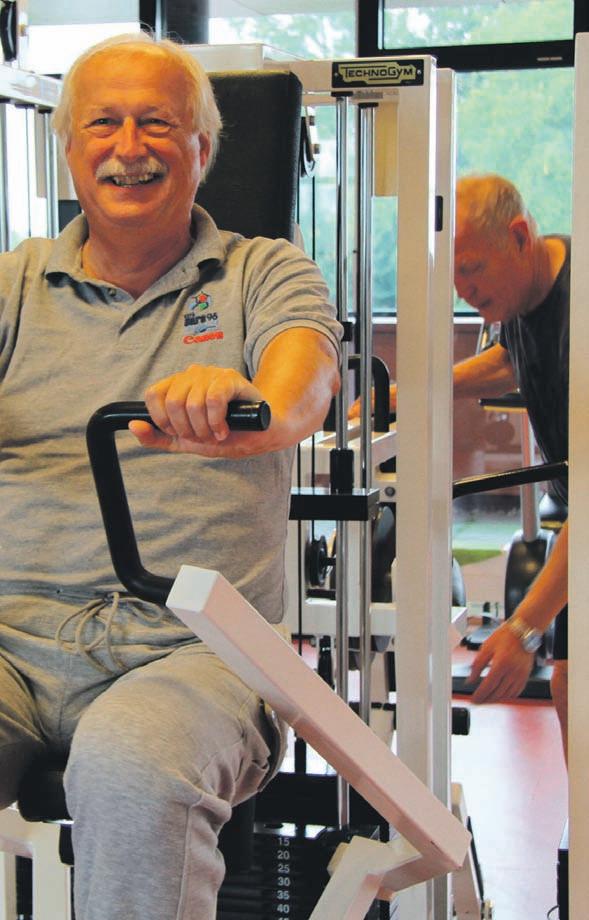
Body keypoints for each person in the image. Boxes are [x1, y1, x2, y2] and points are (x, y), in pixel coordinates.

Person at [0, 33, 341, 920]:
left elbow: (302, 384)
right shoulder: (14, 285)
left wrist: (249, 400)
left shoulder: (262, 271)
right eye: (103, 124)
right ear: (69, 147)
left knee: (131, 764)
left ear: (202, 148)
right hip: (10, 643)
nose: (129, 147)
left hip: (195, 653)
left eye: (156, 123)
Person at [350, 173, 569, 759]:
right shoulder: (526, 294)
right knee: (573, 684)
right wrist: (407, 393)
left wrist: (522, 629)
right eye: (454, 276)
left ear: (519, 236)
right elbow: (509, 361)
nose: (464, 290)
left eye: (472, 269)